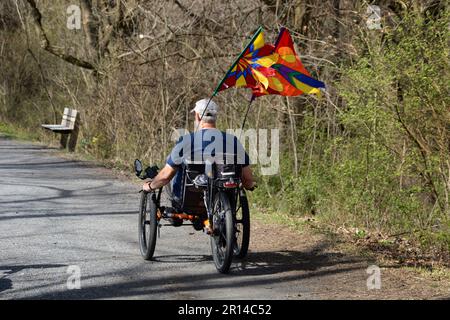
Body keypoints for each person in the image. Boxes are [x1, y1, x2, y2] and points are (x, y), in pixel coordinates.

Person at [142, 98, 256, 221]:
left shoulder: (186, 140)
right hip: (223, 199)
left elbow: (165, 176)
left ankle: (176, 205)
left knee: (173, 161)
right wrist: (249, 185)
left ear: (197, 116)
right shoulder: (232, 140)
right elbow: (248, 179)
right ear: (215, 117)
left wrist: (150, 185)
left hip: (188, 201)